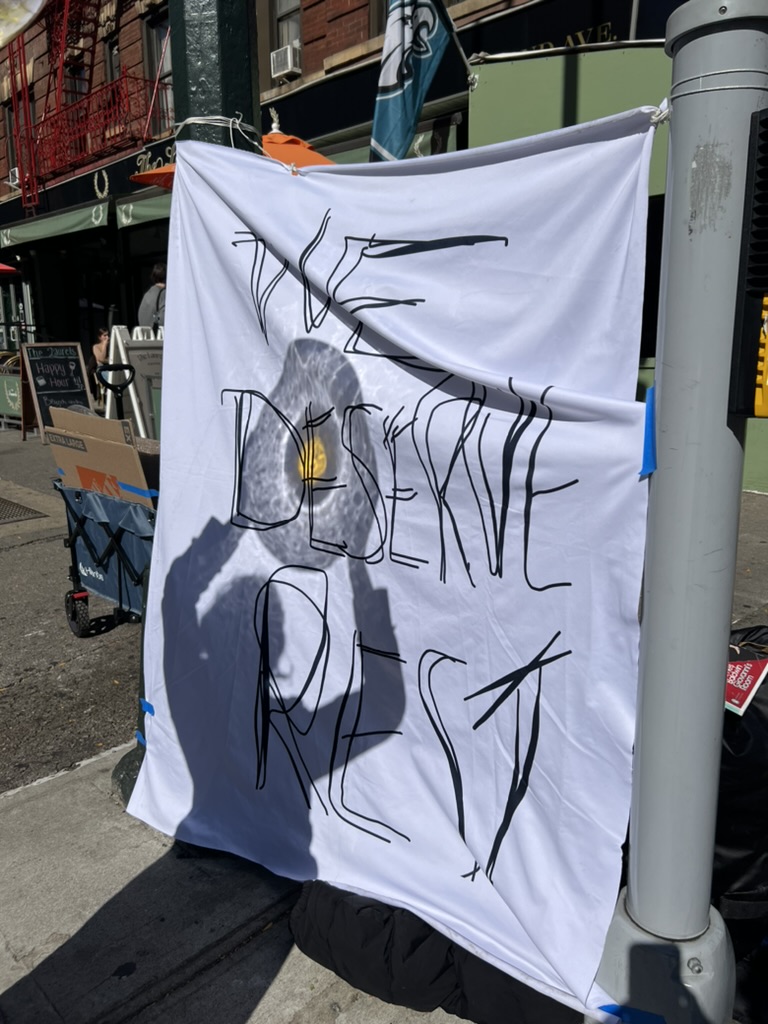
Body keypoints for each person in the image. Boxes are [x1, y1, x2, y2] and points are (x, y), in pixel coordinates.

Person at [137, 262, 166, 330]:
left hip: (145, 334)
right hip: (159, 334)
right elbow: (163, 319)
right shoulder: (164, 294)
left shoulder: (147, 295)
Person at [86, 326, 109, 402]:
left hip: (111, 368)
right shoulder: (96, 347)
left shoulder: (111, 345)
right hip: (102, 369)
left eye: (107, 335)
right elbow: (101, 359)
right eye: (105, 335)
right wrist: (104, 345)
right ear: (100, 337)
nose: (107, 337)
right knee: (110, 377)